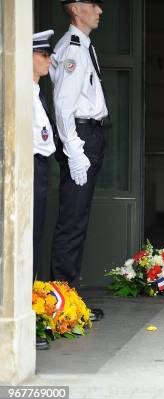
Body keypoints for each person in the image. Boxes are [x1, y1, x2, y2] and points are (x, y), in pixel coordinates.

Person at [50, 0, 107, 321]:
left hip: (90, 134)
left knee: (78, 218)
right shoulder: (72, 48)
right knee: (72, 220)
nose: (100, 11)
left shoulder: (82, 46)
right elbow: (62, 105)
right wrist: (74, 151)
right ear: (75, 8)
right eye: (93, 5)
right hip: (81, 137)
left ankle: (66, 296)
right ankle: (61, 301)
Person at [33, 29, 58, 351]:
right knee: (27, 243)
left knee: (35, 239)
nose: (49, 60)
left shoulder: (37, 92)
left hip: (40, 168)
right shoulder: (22, 93)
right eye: (43, 55)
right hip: (29, 167)